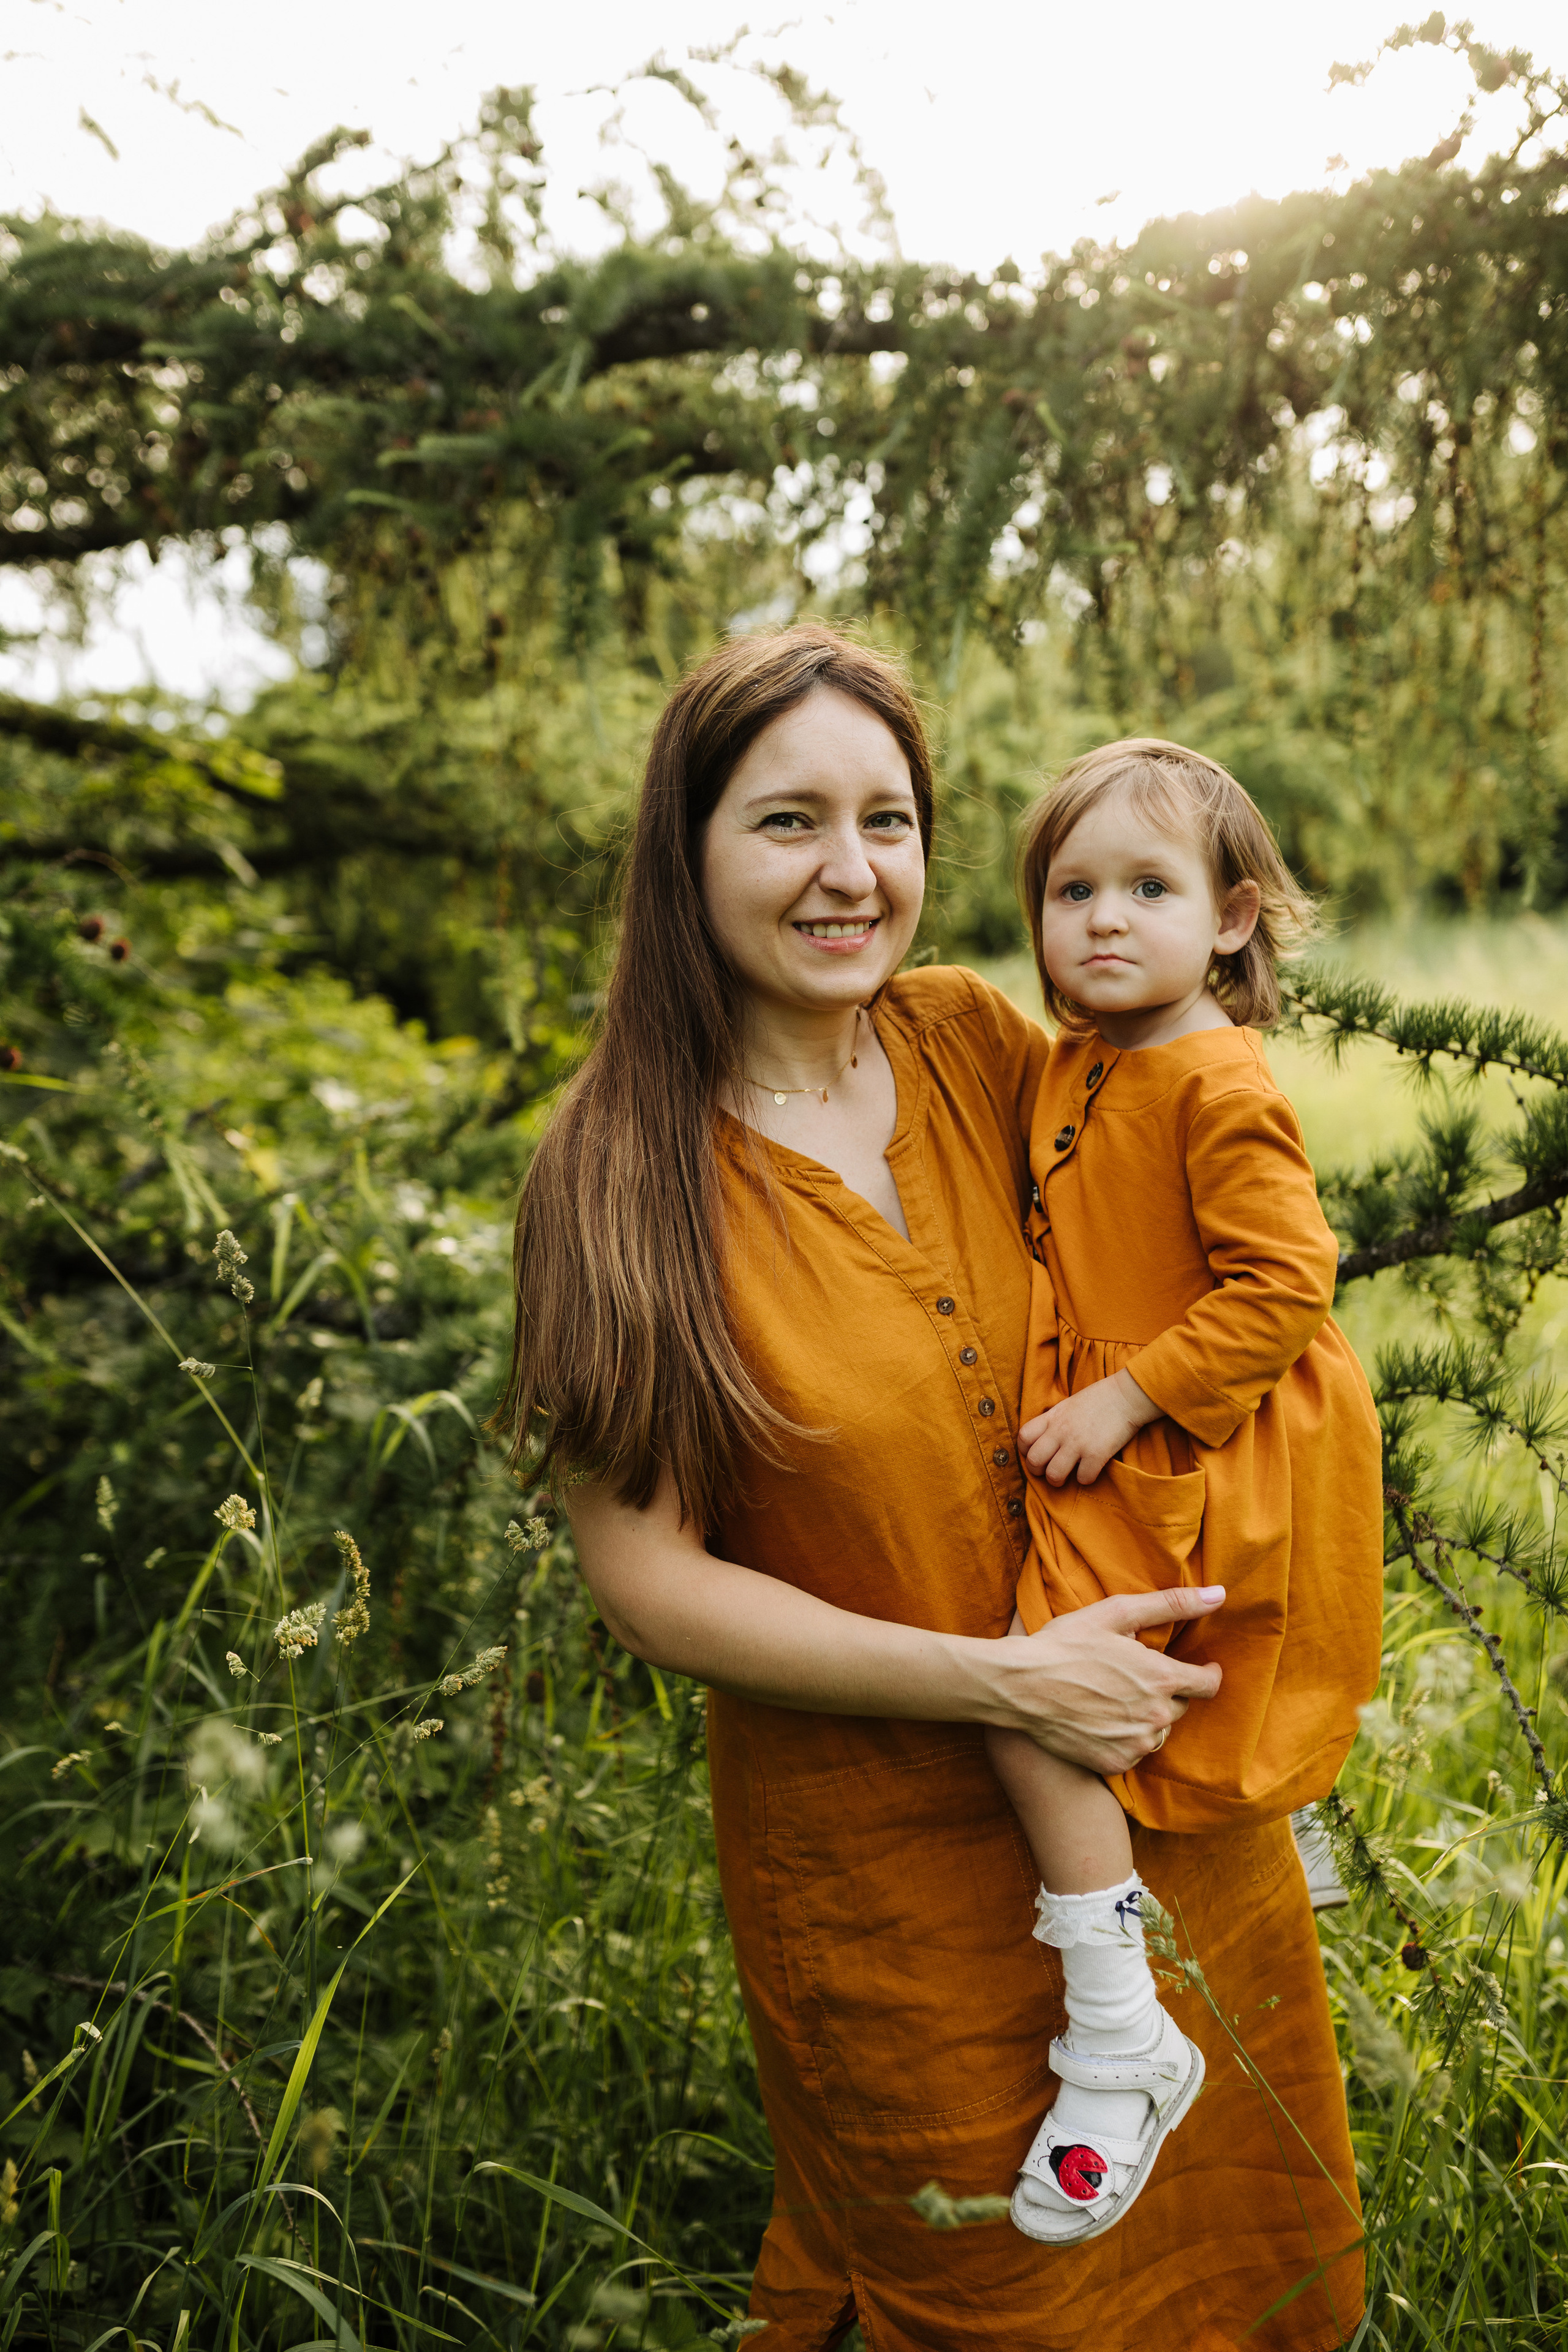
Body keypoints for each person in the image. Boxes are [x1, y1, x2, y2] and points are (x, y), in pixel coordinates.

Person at [500, 626, 1366, 2351]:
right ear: (686, 857)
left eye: (887, 821)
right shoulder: (616, 1178)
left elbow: (1211, 1212)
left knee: (1255, 2268)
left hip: (1165, 1799)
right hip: (890, 1881)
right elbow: (648, 1578)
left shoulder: (983, 1041)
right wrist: (999, 1679)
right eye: (787, 823)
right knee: (993, 2290)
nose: (850, 873)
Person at [982, 741, 1384, 2247]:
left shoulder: (1211, 1075)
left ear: (1228, 918)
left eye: (1144, 888)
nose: (1097, 919)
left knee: (1036, 1699)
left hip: (1199, 1436)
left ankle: (1117, 2024)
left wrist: (1125, 1391)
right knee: (1092, 1697)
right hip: (1131, 1429)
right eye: (1069, 889)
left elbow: (1285, 1277)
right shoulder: (1089, 1056)